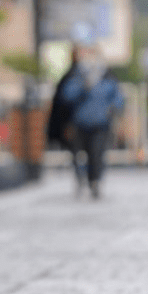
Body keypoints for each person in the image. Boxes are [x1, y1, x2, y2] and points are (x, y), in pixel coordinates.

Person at [60, 44, 124, 199]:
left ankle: (95, 181)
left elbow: (118, 97)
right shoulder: (77, 76)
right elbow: (66, 96)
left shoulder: (107, 77)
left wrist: (114, 108)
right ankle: (80, 178)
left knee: (97, 153)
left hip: (101, 124)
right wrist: (83, 87)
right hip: (80, 124)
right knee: (79, 155)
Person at [47, 45, 83, 190]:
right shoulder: (71, 76)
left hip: (75, 121)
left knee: (78, 151)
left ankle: (83, 177)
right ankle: (85, 177)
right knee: (82, 150)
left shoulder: (69, 76)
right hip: (75, 121)